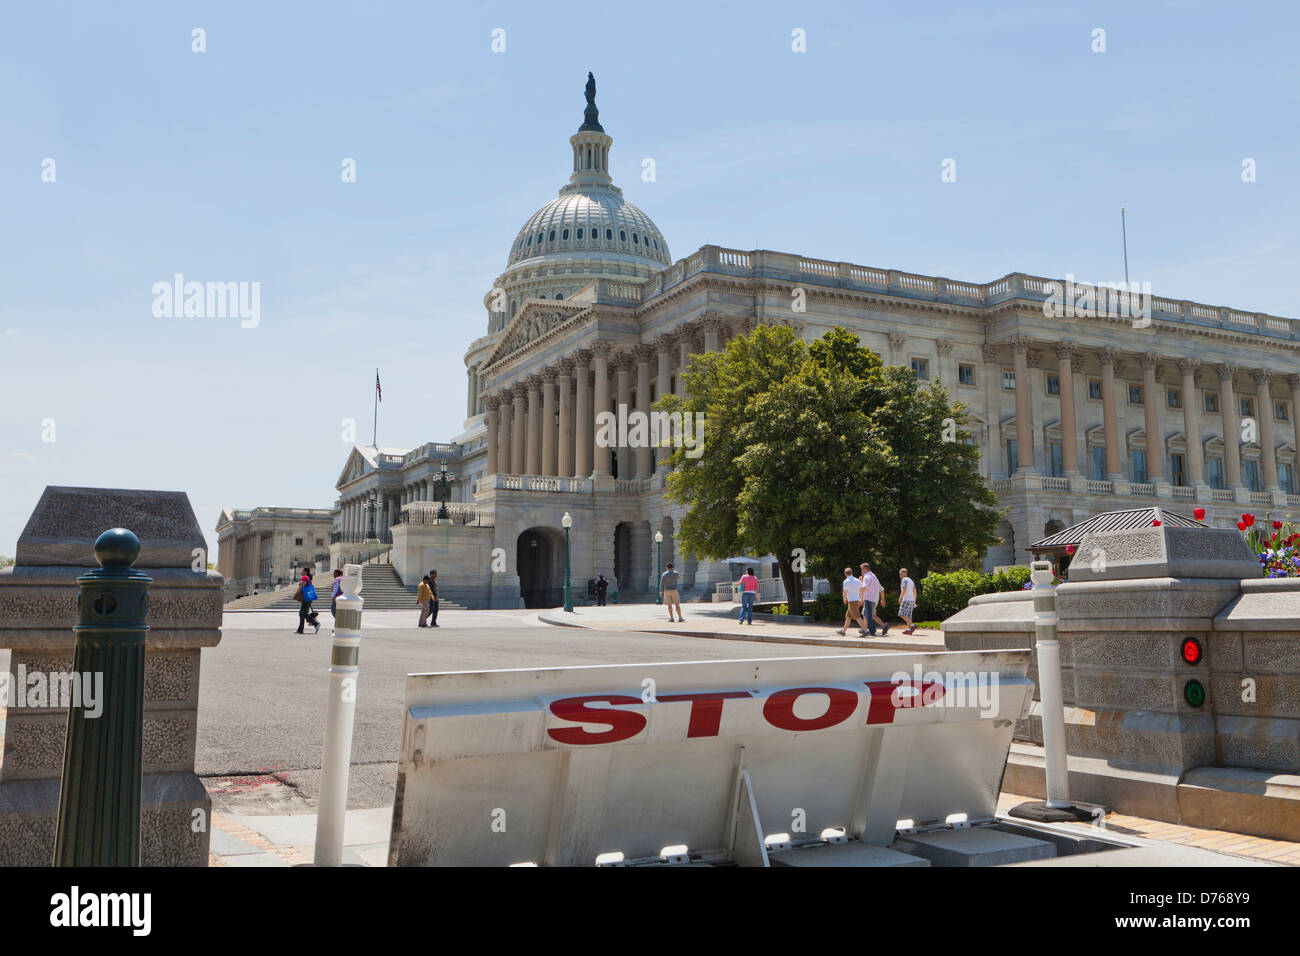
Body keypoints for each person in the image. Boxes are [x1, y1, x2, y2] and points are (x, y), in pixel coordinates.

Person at [859, 562, 885, 637]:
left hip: (868, 598)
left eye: (862, 569)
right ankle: (868, 629)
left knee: (869, 616)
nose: (861, 571)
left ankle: (872, 631)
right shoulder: (874, 576)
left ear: (865, 569)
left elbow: (864, 587)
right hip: (874, 599)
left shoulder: (867, 577)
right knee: (868, 615)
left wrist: (859, 589)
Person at [838, 566, 865, 637]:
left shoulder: (846, 581)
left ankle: (865, 630)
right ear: (852, 573)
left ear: (845, 574)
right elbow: (861, 591)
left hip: (852, 601)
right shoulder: (858, 581)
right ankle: (843, 631)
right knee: (848, 616)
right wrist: (862, 599)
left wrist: (844, 599)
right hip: (857, 600)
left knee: (857, 616)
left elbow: (844, 592)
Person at [295, 566, 321, 635]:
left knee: (303, 613)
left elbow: (301, 586)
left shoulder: (305, 577)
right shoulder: (308, 578)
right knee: (302, 613)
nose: (301, 572)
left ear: (305, 572)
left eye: (302, 570)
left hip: (306, 598)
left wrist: (296, 594)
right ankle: (300, 629)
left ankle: (315, 623)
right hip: (307, 598)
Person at [898, 567, 918, 635]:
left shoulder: (904, 580)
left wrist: (900, 598)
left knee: (902, 613)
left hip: (906, 599)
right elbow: (915, 591)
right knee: (908, 615)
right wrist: (914, 601)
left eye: (900, 574)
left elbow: (904, 589)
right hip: (911, 600)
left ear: (902, 574)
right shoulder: (911, 580)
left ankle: (912, 625)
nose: (900, 575)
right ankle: (909, 629)